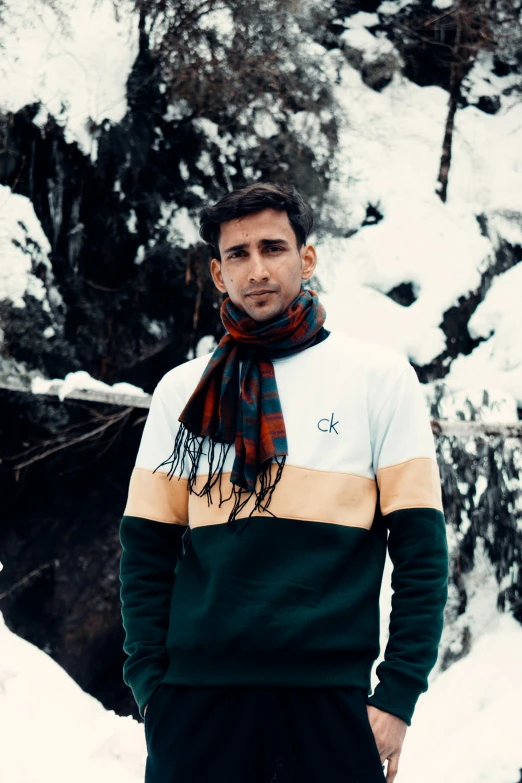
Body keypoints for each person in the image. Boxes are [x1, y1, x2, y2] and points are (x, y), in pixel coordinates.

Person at [119, 182, 449, 783]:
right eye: (238, 255)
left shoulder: (378, 379)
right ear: (218, 274)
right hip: (195, 705)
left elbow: (422, 553)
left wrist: (397, 697)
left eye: (273, 247)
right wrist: (150, 687)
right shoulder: (182, 392)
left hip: (329, 706)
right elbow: (145, 548)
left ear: (307, 257)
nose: (257, 269)